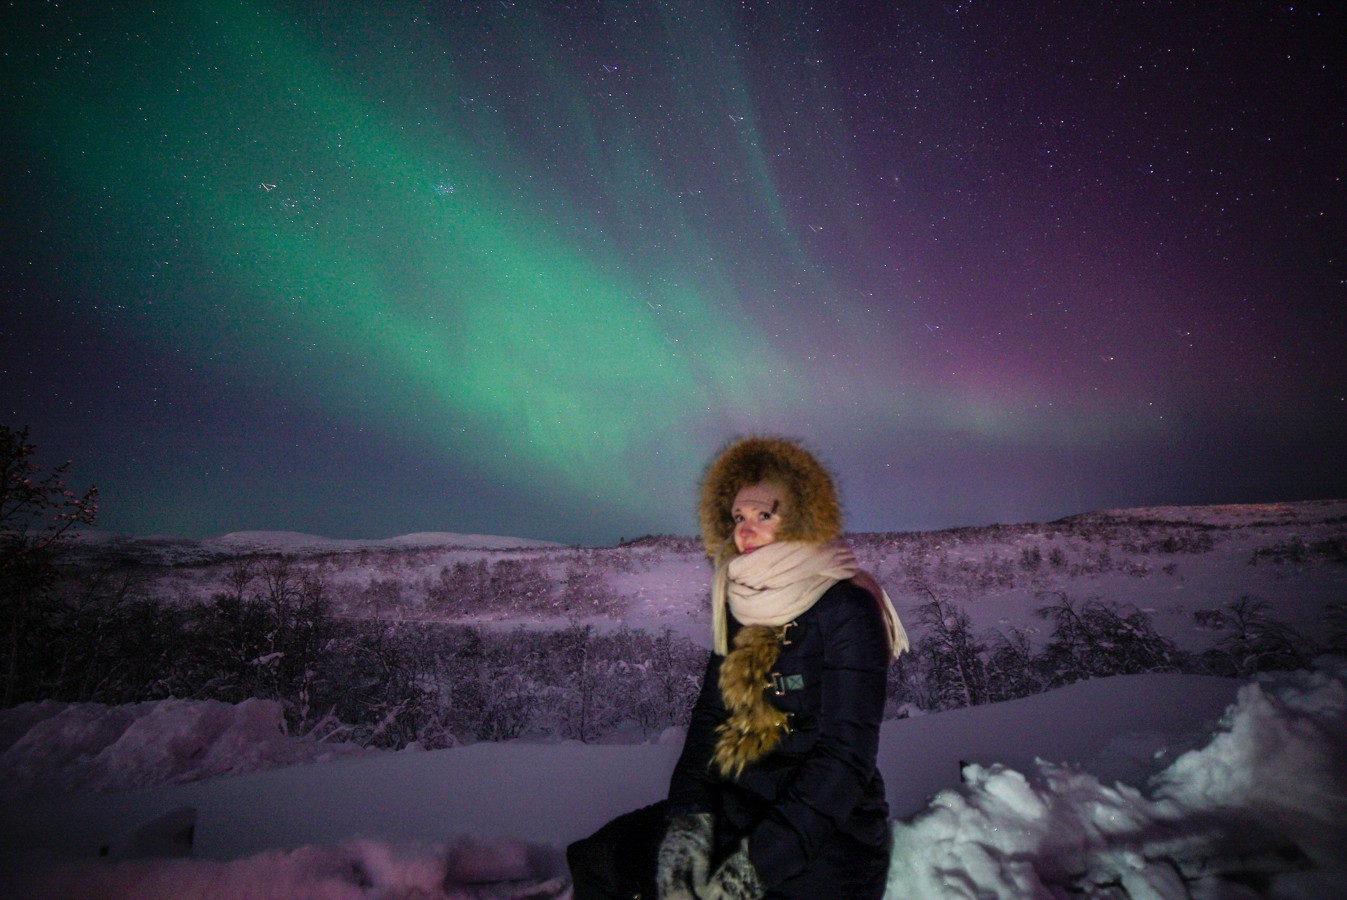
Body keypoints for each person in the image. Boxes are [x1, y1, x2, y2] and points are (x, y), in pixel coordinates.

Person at [568, 436, 908, 899]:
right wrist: (688, 822)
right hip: (741, 801)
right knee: (602, 857)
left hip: (826, 833)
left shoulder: (847, 607)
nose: (744, 532)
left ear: (803, 517)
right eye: (738, 517)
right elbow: (711, 718)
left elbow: (844, 761)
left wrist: (754, 868)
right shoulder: (738, 605)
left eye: (764, 515)